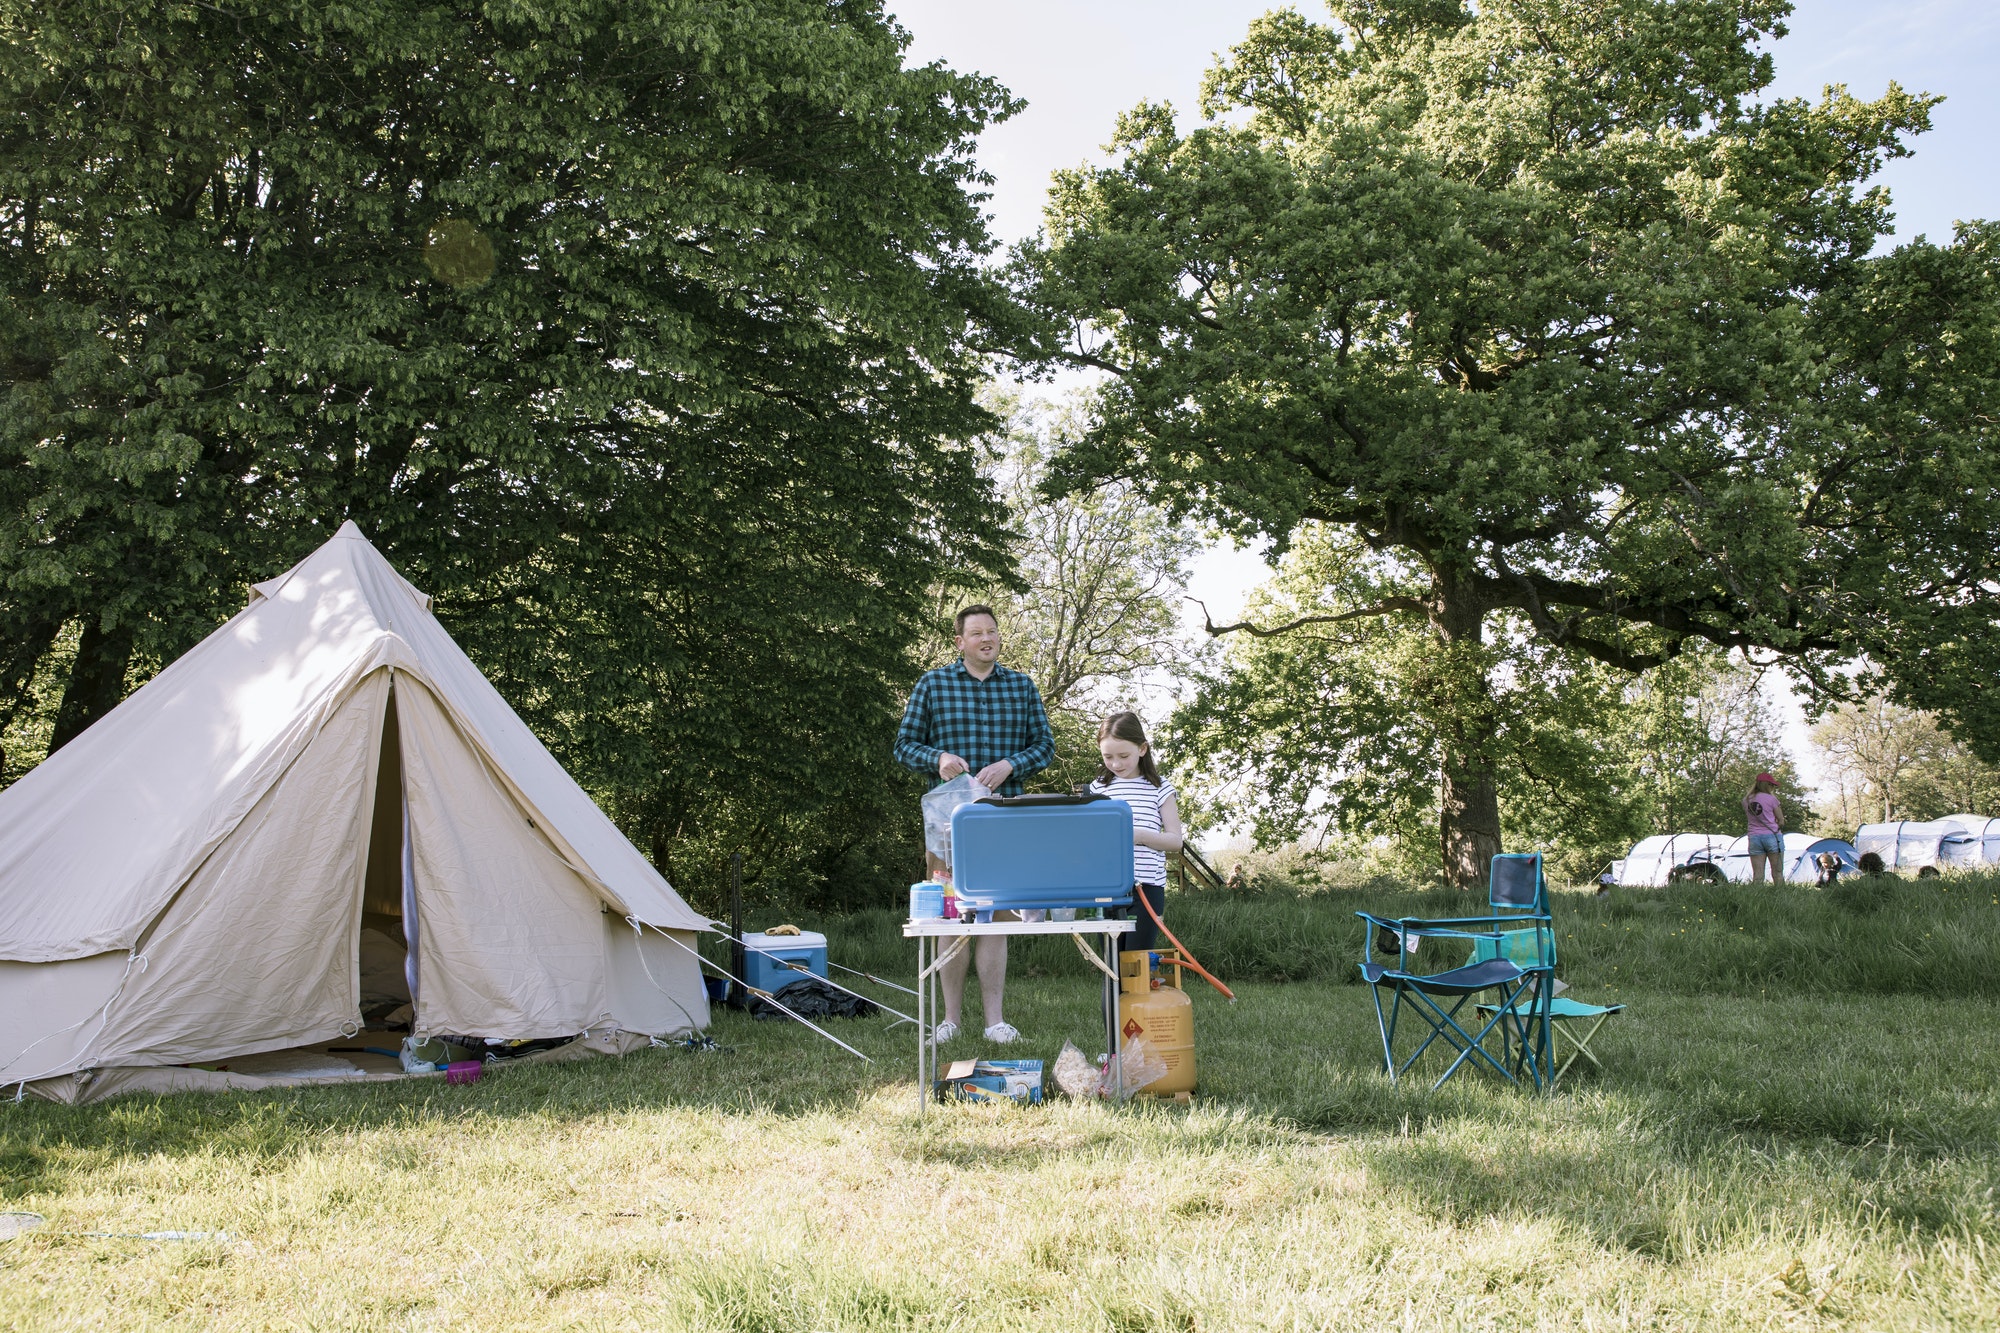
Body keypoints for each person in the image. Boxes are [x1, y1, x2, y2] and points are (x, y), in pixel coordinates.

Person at [893, 605, 1054, 1044]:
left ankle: (995, 1022)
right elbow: (904, 745)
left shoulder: (1021, 687)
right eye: (977, 633)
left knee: (997, 917)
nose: (987, 638)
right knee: (951, 916)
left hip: (1005, 820)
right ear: (960, 642)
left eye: (992, 632)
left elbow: (1045, 746)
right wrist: (938, 758)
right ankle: (949, 1021)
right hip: (948, 825)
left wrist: (1011, 764)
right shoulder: (933, 684)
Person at [1089, 712, 1184, 953]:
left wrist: (1139, 836)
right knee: (1111, 966)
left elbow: (1175, 841)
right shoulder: (1098, 787)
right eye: (1107, 756)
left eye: (1123, 756)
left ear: (1142, 749)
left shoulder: (1160, 788)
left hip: (1147, 888)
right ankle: (1114, 994)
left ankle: (1139, 992)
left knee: (1136, 963)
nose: (1116, 764)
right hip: (1105, 886)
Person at [1742, 772, 1784, 883]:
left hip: (1754, 837)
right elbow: (1781, 821)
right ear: (1767, 785)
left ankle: (1756, 898)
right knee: (1777, 872)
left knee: (1758, 874)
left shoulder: (1746, 800)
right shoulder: (1772, 799)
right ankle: (1781, 897)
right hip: (1772, 836)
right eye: (1772, 785)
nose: (1773, 788)